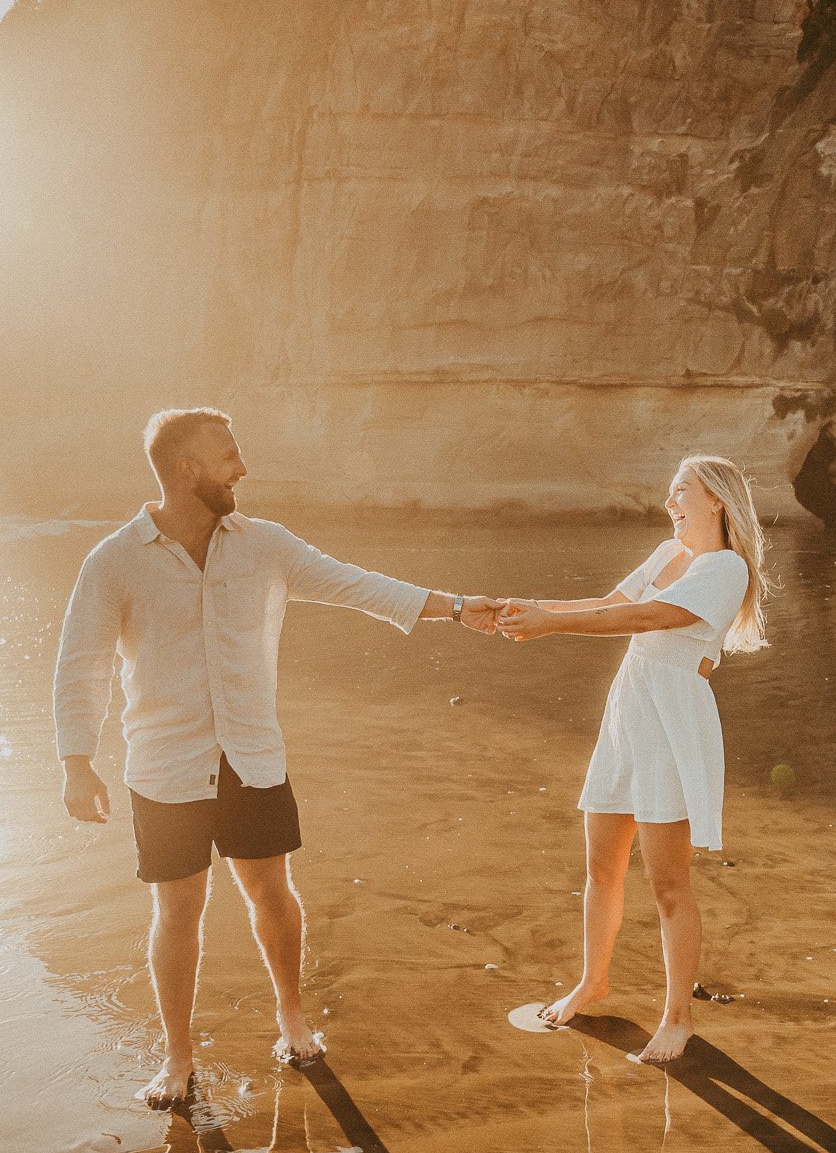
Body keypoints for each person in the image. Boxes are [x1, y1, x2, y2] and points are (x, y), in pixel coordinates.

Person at [53, 407, 501, 1107]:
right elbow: (79, 662)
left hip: (251, 757)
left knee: (271, 891)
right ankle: (177, 1058)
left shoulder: (265, 545)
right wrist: (76, 759)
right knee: (177, 911)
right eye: (229, 455)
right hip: (165, 768)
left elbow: (356, 584)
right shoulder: (114, 560)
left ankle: (291, 1015)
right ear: (186, 470)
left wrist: (457, 605)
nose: (243, 467)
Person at [496, 456, 770, 1062]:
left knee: (669, 885)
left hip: (671, 724)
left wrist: (552, 627)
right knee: (601, 869)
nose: (670, 503)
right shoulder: (665, 553)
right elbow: (607, 601)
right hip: (627, 716)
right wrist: (528, 606)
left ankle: (678, 1016)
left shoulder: (725, 567)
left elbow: (648, 617)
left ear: (717, 501)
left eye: (681, 493)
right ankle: (593, 980)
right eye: (669, 493)